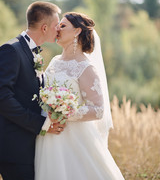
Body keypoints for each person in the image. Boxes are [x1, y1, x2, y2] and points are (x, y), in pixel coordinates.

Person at [35, 12, 125, 180]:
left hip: (74, 138)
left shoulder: (86, 68)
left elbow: (98, 110)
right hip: (48, 134)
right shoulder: (55, 61)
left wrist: (64, 111)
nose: (57, 29)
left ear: (76, 31)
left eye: (63, 26)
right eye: (58, 25)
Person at [0, 1, 65, 180]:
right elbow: (3, 98)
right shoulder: (11, 50)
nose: (58, 29)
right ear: (44, 28)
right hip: (14, 149)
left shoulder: (33, 51)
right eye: (56, 25)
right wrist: (41, 124)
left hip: (29, 147)